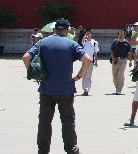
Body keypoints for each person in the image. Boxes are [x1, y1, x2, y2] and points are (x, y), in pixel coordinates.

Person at [23, 18, 91, 154]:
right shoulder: (71, 44)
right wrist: (78, 76)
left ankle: (43, 150)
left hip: (46, 88)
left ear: (54, 29)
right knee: (67, 121)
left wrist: (36, 75)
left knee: (44, 121)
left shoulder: (42, 43)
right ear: (66, 30)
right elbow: (88, 60)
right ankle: (71, 149)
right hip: (66, 89)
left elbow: (26, 57)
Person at [109, 29, 131, 95]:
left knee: (120, 74)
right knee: (115, 75)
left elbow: (129, 53)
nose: (120, 35)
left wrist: (130, 61)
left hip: (123, 60)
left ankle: (119, 89)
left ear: (124, 35)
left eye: (122, 34)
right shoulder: (115, 42)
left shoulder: (127, 43)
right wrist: (113, 57)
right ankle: (117, 86)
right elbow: (112, 50)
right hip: (115, 60)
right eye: (119, 34)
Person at [78, 30, 98, 96]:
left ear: (91, 34)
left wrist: (96, 61)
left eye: (88, 33)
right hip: (84, 61)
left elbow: (95, 53)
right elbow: (80, 47)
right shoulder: (84, 42)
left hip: (91, 61)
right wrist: (83, 39)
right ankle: (84, 88)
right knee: (84, 74)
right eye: (86, 34)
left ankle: (87, 89)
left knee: (89, 75)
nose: (87, 35)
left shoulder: (94, 42)